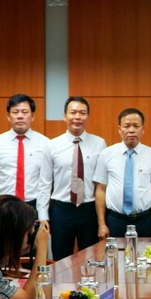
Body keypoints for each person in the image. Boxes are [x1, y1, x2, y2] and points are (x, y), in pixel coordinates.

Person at [41, 97, 106, 260]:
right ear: (65, 116)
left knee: (91, 259)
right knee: (61, 260)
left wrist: (102, 219)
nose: (77, 117)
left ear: (87, 117)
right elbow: (44, 183)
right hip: (61, 210)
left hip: (89, 210)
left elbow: (103, 183)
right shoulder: (52, 145)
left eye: (82, 113)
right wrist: (43, 215)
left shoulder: (99, 144)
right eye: (73, 112)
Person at [0, 94, 51, 226]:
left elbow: (48, 181)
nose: (20, 116)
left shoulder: (46, 143)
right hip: (3, 205)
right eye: (15, 112)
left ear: (32, 116)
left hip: (33, 206)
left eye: (24, 112)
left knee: (32, 240)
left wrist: (43, 214)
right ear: (8, 116)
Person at [94, 108, 151, 239]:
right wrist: (101, 224)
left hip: (144, 221)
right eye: (126, 126)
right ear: (119, 129)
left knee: (145, 252)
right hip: (115, 220)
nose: (131, 130)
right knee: (115, 252)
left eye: (136, 126)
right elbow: (100, 190)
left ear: (142, 129)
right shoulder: (106, 154)